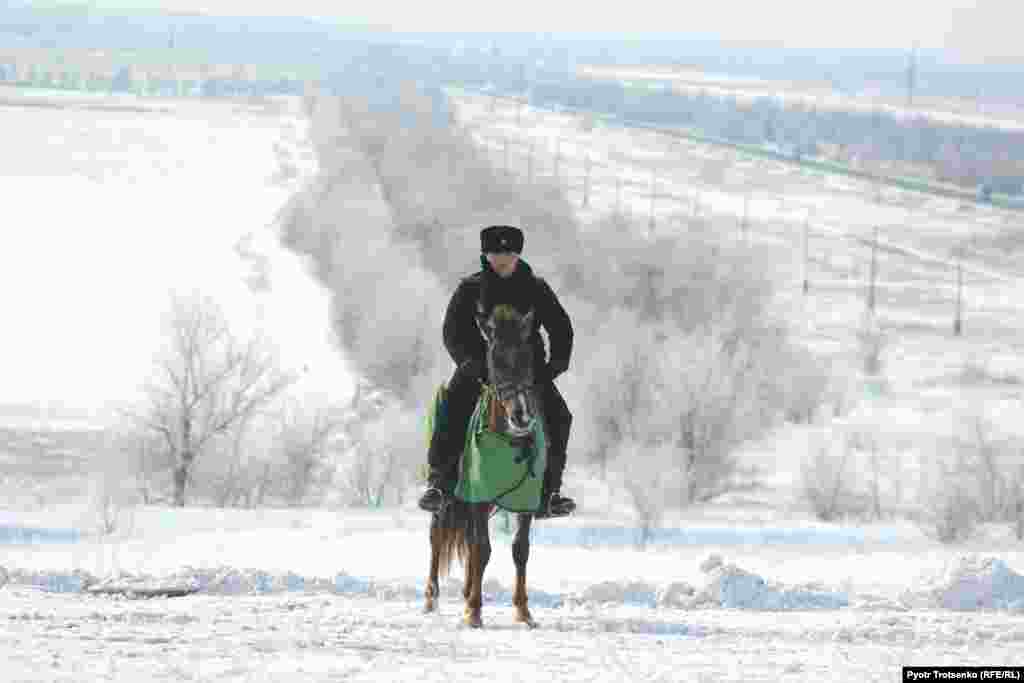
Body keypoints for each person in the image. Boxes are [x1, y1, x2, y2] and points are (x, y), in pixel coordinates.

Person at [418, 225, 576, 518]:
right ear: (485, 255)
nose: (502, 259)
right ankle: (440, 484)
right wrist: (470, 363)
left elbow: (561, 328)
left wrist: (555, 366)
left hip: (529, 372)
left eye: (508, 253)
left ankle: (550, 493)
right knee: (452, 408)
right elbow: (453, 331)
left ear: (518, 255)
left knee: (560, 416)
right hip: (480, 370)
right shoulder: (470, 289)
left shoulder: (537, 288)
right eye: (495, 254)